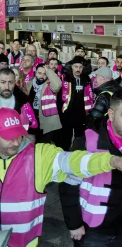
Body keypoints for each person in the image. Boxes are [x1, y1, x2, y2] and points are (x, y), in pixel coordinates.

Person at [0, 107, 122, 247]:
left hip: (24, 243)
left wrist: (111, 160)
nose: (16, 143)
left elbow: (74, 161)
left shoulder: (40, 155)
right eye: (9, 137)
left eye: (19, 135)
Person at [60, 90, 122, 246]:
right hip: (93, 229)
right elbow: (68, 183)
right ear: (111, 114)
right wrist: (74, 223)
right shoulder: (87, 142)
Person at [60, 56, 94, 151]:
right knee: (66, 136)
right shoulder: (65, 79)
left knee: (80, 138)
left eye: (80, 67)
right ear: (72, 67)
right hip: (68, 113)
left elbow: (91, 95)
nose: (78, 69)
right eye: (76, 66)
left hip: (82, 114)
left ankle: (78, 155)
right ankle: (64, 154)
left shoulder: (86, 80)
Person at [25, 64, 62, 143]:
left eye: (44, 74)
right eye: (39, 73)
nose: (41, 76)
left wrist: (48, 70)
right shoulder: (29, 84)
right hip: (32, 121)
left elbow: (57, 85)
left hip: (46, 122)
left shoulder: (50, 85)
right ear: (35, 72)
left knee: (44, 147)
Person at [0, 68, 38, 137]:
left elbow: (33, 128)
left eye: (11, 82)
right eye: (3, 82)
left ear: (15, 82)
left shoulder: (24, 103)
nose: (7, 87)